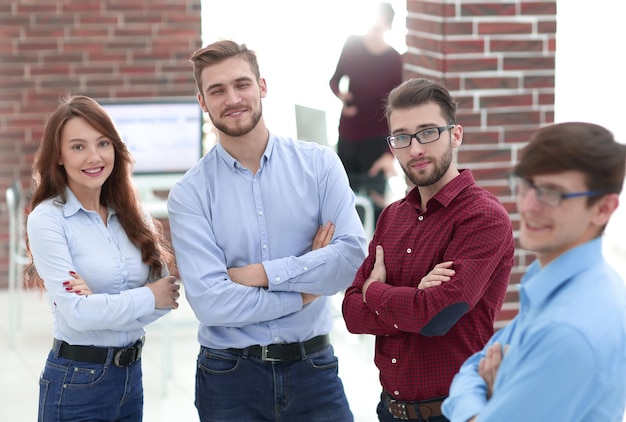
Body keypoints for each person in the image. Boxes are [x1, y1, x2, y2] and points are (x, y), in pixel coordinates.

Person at [166, 40, 368, 422]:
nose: (232, 98)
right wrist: (307, 285)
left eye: (241, 84)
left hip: (315, 371)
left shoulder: (320, 165)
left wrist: (259, 275)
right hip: (230, 380)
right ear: (202, 102)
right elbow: (212, 303)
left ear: (262, 86)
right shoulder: (189, 194)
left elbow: (351, 259)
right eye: (217, 90)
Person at [342, 78, 515, 422]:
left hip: (453, 412)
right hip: (389, 410)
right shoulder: (392, 216)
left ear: (455, 135)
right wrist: (412, 301)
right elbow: (350, 312)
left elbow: (436, 317)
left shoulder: (482, 217)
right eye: (402, 137)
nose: (415, 148)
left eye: (428, 132)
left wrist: (375, 290)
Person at [442, 122, 626, 422]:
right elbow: (472, 367)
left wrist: (487, 400)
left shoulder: (569, 331)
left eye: (552, 193)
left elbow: (468, 380)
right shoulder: (567, 282)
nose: (527, 206)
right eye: (525, 186)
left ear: (603, 209)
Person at [24, 94, 180, 421]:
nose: (94, 156)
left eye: (103, 143)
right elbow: (79, 315)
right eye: (78, 146)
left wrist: (102, 304)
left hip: (130, 379)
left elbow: (166, 298)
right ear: (59, 157)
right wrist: (145, 296)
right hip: (77, 381)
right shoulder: (47, 220)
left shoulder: (130, 213)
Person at [329, 1, 404, 221]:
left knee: (376, 206)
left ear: (389, 28)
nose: (373, 32)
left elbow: (397, 108)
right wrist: (342, 97)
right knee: (344, 201)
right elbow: (334, 81)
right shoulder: (352, 44)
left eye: (379, 28)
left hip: (377, 139)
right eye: (371, 26)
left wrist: (390, 153)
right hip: (349, 133)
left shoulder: (394, 60)